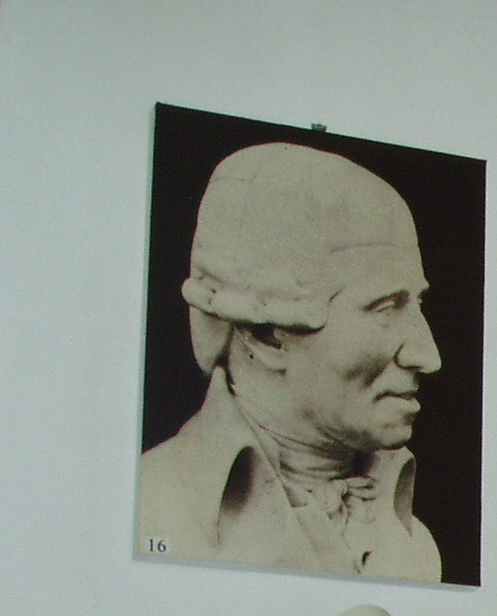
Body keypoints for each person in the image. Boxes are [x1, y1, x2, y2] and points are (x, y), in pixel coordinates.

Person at [138, 142, 444, 581]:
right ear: (266, 335)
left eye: (416, 305)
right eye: (383, 309)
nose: (427, 356)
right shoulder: (150, 511)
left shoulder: (412, 543)